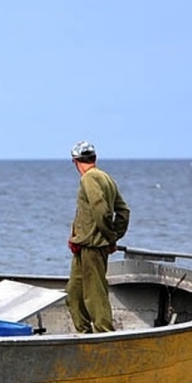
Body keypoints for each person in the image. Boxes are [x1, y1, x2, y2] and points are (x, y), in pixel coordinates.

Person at [66, 141, 131, 333]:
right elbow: (123, 212)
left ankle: (104, 334)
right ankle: (83, 333)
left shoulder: (89, 178)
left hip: (93, 247)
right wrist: (114, 235)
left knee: (95, 294)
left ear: (76, 161)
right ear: (94, 158)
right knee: (74, 293)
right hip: (83, 245)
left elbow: (100, 209)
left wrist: (109, 238)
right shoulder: (106, 178)